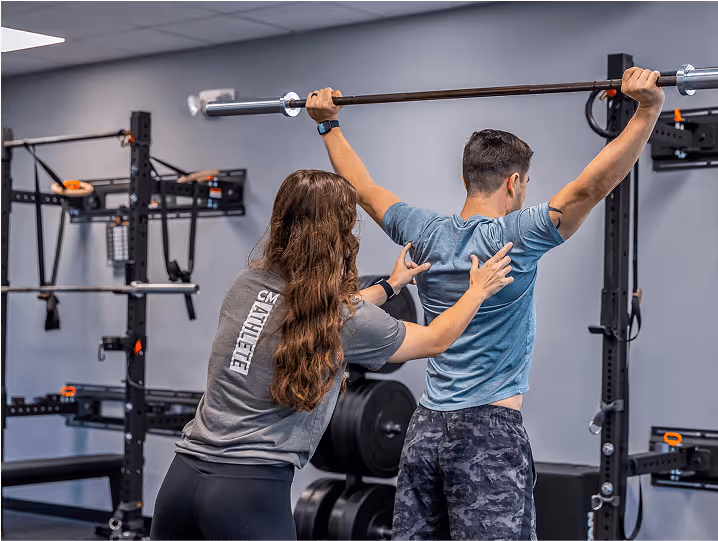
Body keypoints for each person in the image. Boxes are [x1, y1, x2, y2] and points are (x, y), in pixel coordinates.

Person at [306, 66, 665, 541]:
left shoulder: (424, 232)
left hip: (425, 430)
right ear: (514, 182)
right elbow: (590, 187)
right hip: (487, 433)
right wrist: (647, 110)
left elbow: (363, 190)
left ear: (466, 177)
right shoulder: (513, 237)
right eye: (526, 183)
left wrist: (328, 125)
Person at [149, 169, 514, 541]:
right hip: (247, 495)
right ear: (338, 235)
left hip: (181, 484)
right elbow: (435, 339)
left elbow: (317, 317)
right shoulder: (342, 319)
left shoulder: (248, 284)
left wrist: (389, 286)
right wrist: (477, 291)